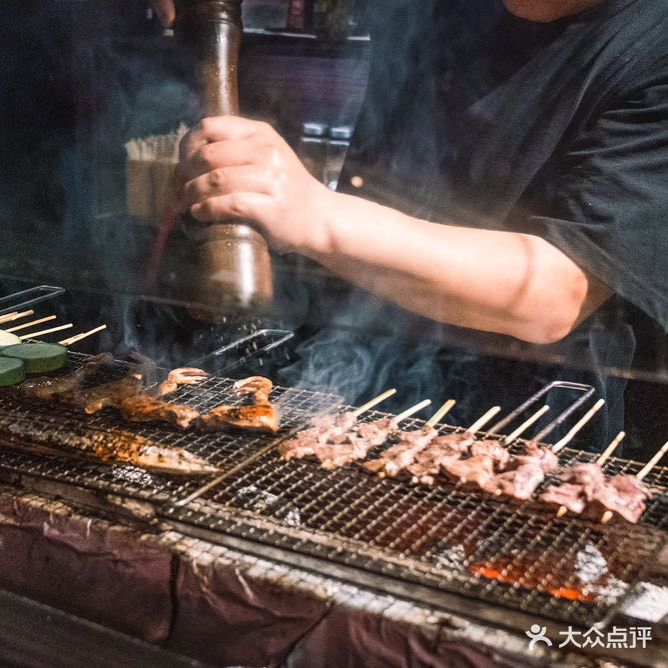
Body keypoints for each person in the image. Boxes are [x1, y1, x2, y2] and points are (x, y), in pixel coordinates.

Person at [151, 0, 667, 452]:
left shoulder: (653, 46)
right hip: (348, 361)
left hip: (524, 419)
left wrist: (318, 217)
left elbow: (556, 293)